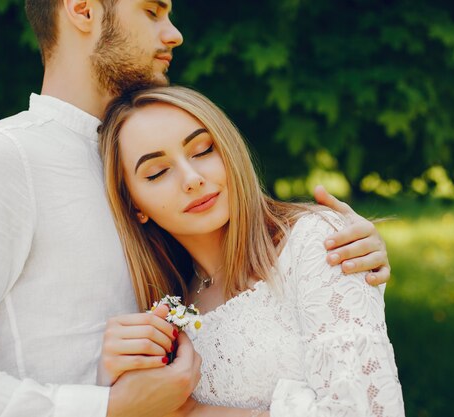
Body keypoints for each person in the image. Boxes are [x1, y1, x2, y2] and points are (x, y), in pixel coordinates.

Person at [0, 1, 391, 416]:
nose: (173, 34)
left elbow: (241, 281)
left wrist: (336, 256)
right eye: (153, 11)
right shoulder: (4, 158)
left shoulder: (148, 147)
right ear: (83, 9)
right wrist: (104, 409)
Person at [97, 85, 405, 416]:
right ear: (135, 206)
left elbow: (368, 410)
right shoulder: (169, 316)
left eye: (202, 150)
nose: (192, 178)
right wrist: (108, 381)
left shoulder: (316, 244)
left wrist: (192, 412)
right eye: (157, 172)